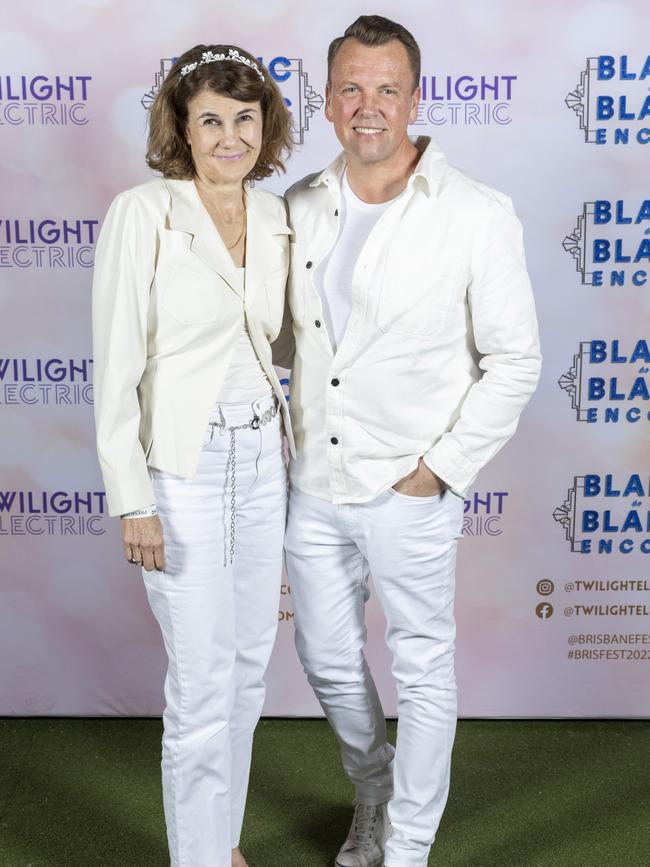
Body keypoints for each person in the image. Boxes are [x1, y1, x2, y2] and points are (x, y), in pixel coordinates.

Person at [277, 15, 542, 867]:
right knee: (324, 658)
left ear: (416, 98)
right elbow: (279, 342)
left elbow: (515, 360)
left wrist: (439, 471)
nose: (368, 106)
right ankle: (374, 788)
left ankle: (409, 848)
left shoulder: (475, 213)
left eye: (387, 89)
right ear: (327, 99)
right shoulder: (300, 206)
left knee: (424, 673)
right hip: (314, 482)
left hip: (411, 488)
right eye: (351, 87)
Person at [92, 43, 294, 867]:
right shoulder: (144, 214)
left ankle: (222, 842)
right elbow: (115, 367)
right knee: (203, 681)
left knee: (247, 671)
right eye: (210, 119)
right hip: (183, 466)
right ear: (181, 125)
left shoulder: (280, 214)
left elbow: (292, 341)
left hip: (264, 461)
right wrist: (131, 499)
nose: (229, 136)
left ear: (265, 125)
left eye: (244, 119)